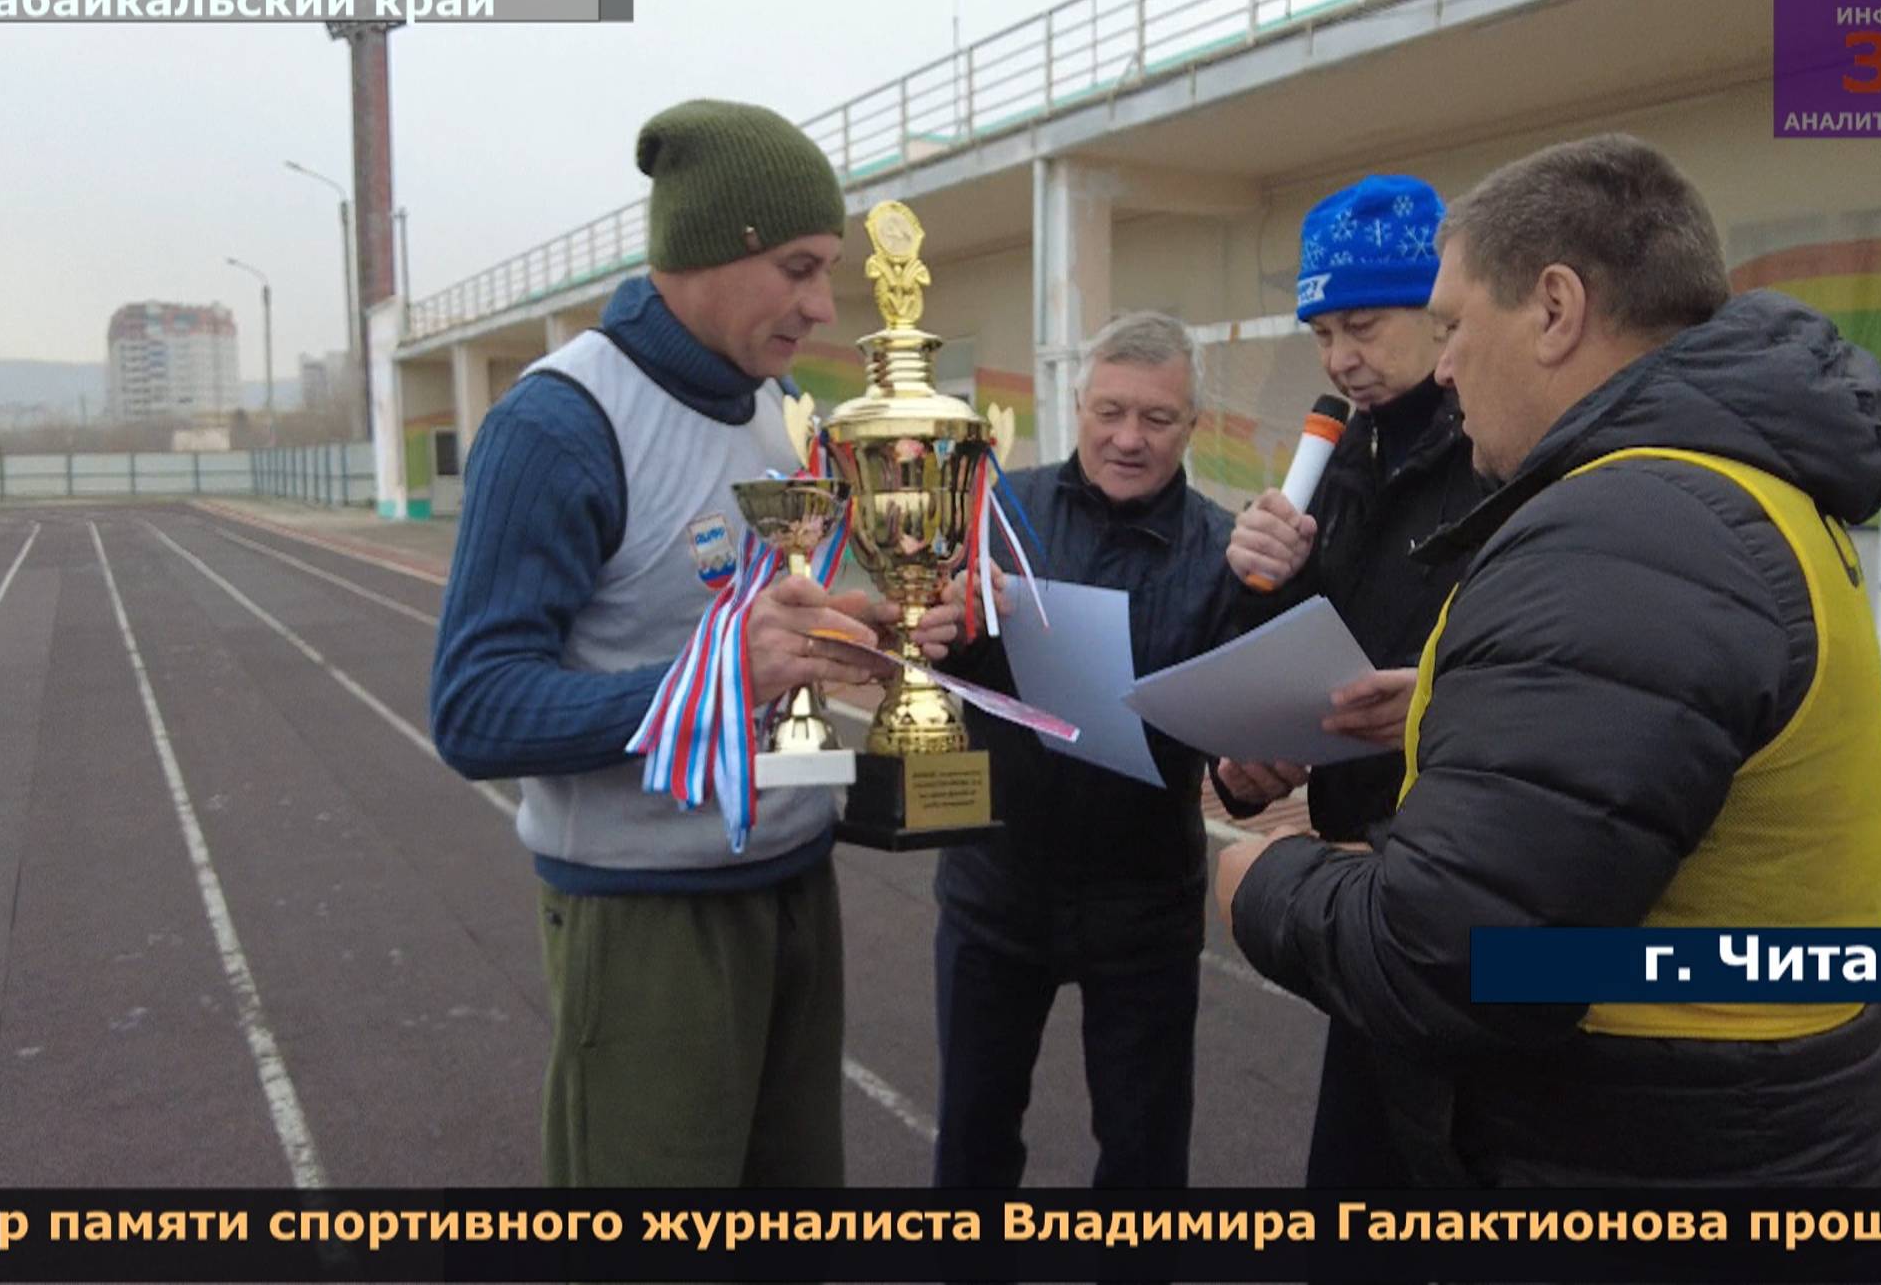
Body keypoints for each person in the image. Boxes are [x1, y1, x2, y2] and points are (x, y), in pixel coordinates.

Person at [1217, 133, 1881, 1186]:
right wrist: (1447, 713)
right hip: (1733, 1127)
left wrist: (1261, 879)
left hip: (1646, 1145)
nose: (1445, 367)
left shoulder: (1633, 525)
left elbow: (1457, 963)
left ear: (1554, 308)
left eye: (1451, 326)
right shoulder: (1728, 489)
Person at [429, 99, 892, 1188]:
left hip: (796, 885)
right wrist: (719, 679)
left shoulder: (777, 408)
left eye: (829, 269)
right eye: (798, 267)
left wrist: (881, 632)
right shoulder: (559, 425)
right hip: (646, 922)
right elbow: (475, 708)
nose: (824, 304)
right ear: (708, 253)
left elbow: (782, 631)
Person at [909, 311, 1240, 1190]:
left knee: (1142, 1153)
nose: (1128, 439)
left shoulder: (1224, 552)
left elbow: (1240, 733)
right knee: (975, 1140)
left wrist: (1247, 769)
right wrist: (940, 640)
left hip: (1145, 908)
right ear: (1078, 407)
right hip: (995, 891)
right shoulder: (999, 509)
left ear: (1191, 427)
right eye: (1109, 413)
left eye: (1156, 420)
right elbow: (953, 653)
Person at [1216, 174, 1488, 1189]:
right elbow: (1312, 647)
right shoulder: (1339, 457)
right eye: (1323, 332)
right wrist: (1259, 595)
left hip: (1465, 877)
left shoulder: (1505, 455)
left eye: (1363, 325)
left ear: (1446, 309)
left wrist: (1433, 704)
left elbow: (1546, 668)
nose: (1339, 359)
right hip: (1362, 877)